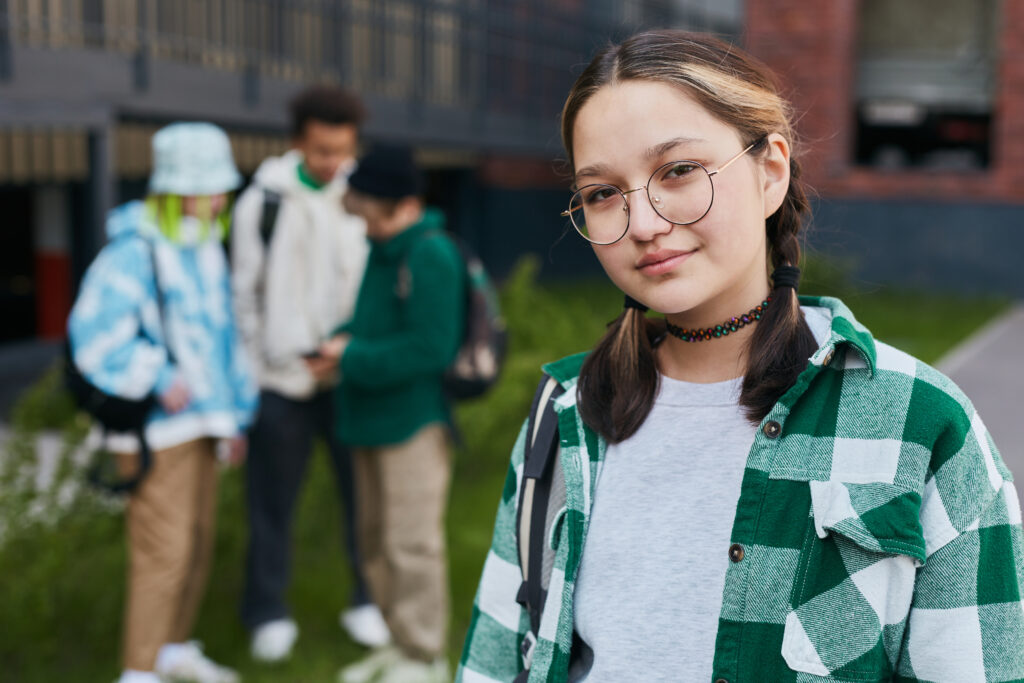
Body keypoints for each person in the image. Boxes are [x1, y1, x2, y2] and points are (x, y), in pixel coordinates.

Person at [458, 30, 1024, 683]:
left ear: (771, 171)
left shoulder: (920, 423)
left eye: (677, 171)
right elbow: (495, 662)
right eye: (603, 193)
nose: (642, 223)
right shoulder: (567, 414)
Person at [67, 122, 257, 683]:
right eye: (208, 185)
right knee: (163, 556)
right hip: (157, 434)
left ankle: (170, 653)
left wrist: (234, 419)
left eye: (221, 185)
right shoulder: (133, 251)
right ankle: (139, 671)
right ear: (176, 188)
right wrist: (155, 373)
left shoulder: (203, 246)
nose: (220, 196)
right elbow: (93, 337)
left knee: (195, 546)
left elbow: (223, 344)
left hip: (203, 426)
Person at [232, 85, 388, 661]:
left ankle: (366, 598)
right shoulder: (261, 203)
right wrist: (260, 366)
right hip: (281, 382)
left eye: (343, 151)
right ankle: (266, 610)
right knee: (271, 503)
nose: (333, 163)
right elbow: (242, 297)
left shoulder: (360, 195)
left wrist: (349, 346)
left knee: (364, 497)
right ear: (298, 142)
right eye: (322, 150)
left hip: (347, 376)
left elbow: (374, 282)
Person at [320, 143, 465, 683]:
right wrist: (341, 344)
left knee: (411, 544)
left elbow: (431, 349)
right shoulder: (384, 247)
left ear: (403, 206)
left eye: (370, 210)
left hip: (412, 423)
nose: (362, 220)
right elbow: (376, 328)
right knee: (375, 541)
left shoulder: (429, 253)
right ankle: (399, 642)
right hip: (367, 418)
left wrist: (350, 356)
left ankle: (427, 657)